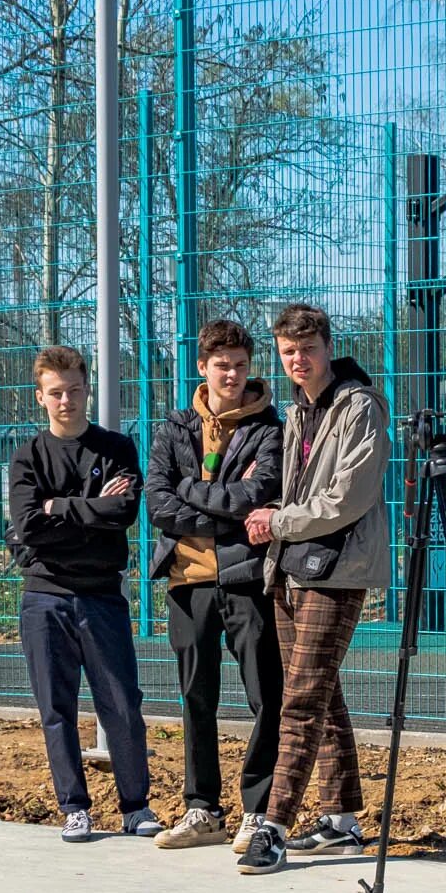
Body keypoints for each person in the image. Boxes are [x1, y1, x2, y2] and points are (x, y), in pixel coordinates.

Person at [235, 304, 391, 876]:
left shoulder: (359, 408)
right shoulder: (299, 412)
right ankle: (343, 820)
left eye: (307, 349)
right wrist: (277, 513)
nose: (298, 360)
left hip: (339, 570)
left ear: (329, 346)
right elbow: (304, 492)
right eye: (288, 353)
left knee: (299, 701)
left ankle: (271, 826)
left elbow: (348, 497)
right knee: (322, 696)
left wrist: (279, 522)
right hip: (294, 566)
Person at [6, 345, 158, 843]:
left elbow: (123, 514)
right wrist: (89, 507)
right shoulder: (28, 456)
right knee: (57, 708)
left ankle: (135, 806)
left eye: (74, 390)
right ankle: (74, 806)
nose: (66, 400)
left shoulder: (117, 448)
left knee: (122, 704)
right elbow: (27, 527)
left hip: (101, 596)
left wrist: (58, 508)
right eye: (56, 393)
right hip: (44, 597)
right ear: (40, 398)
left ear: (87, 389)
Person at [145, 318, 284, 853]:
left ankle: (258, 810)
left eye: (241, 365)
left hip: (247, 579)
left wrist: (191, 491)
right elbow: (158, 502)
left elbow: (259, 494)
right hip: (187, 581)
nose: (232, 373)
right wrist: (218, 504)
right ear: (202, 367)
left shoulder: (269, 427)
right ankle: (202, 808)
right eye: (221, 364)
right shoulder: (175, 427)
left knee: (264, 696)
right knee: (196, 698)